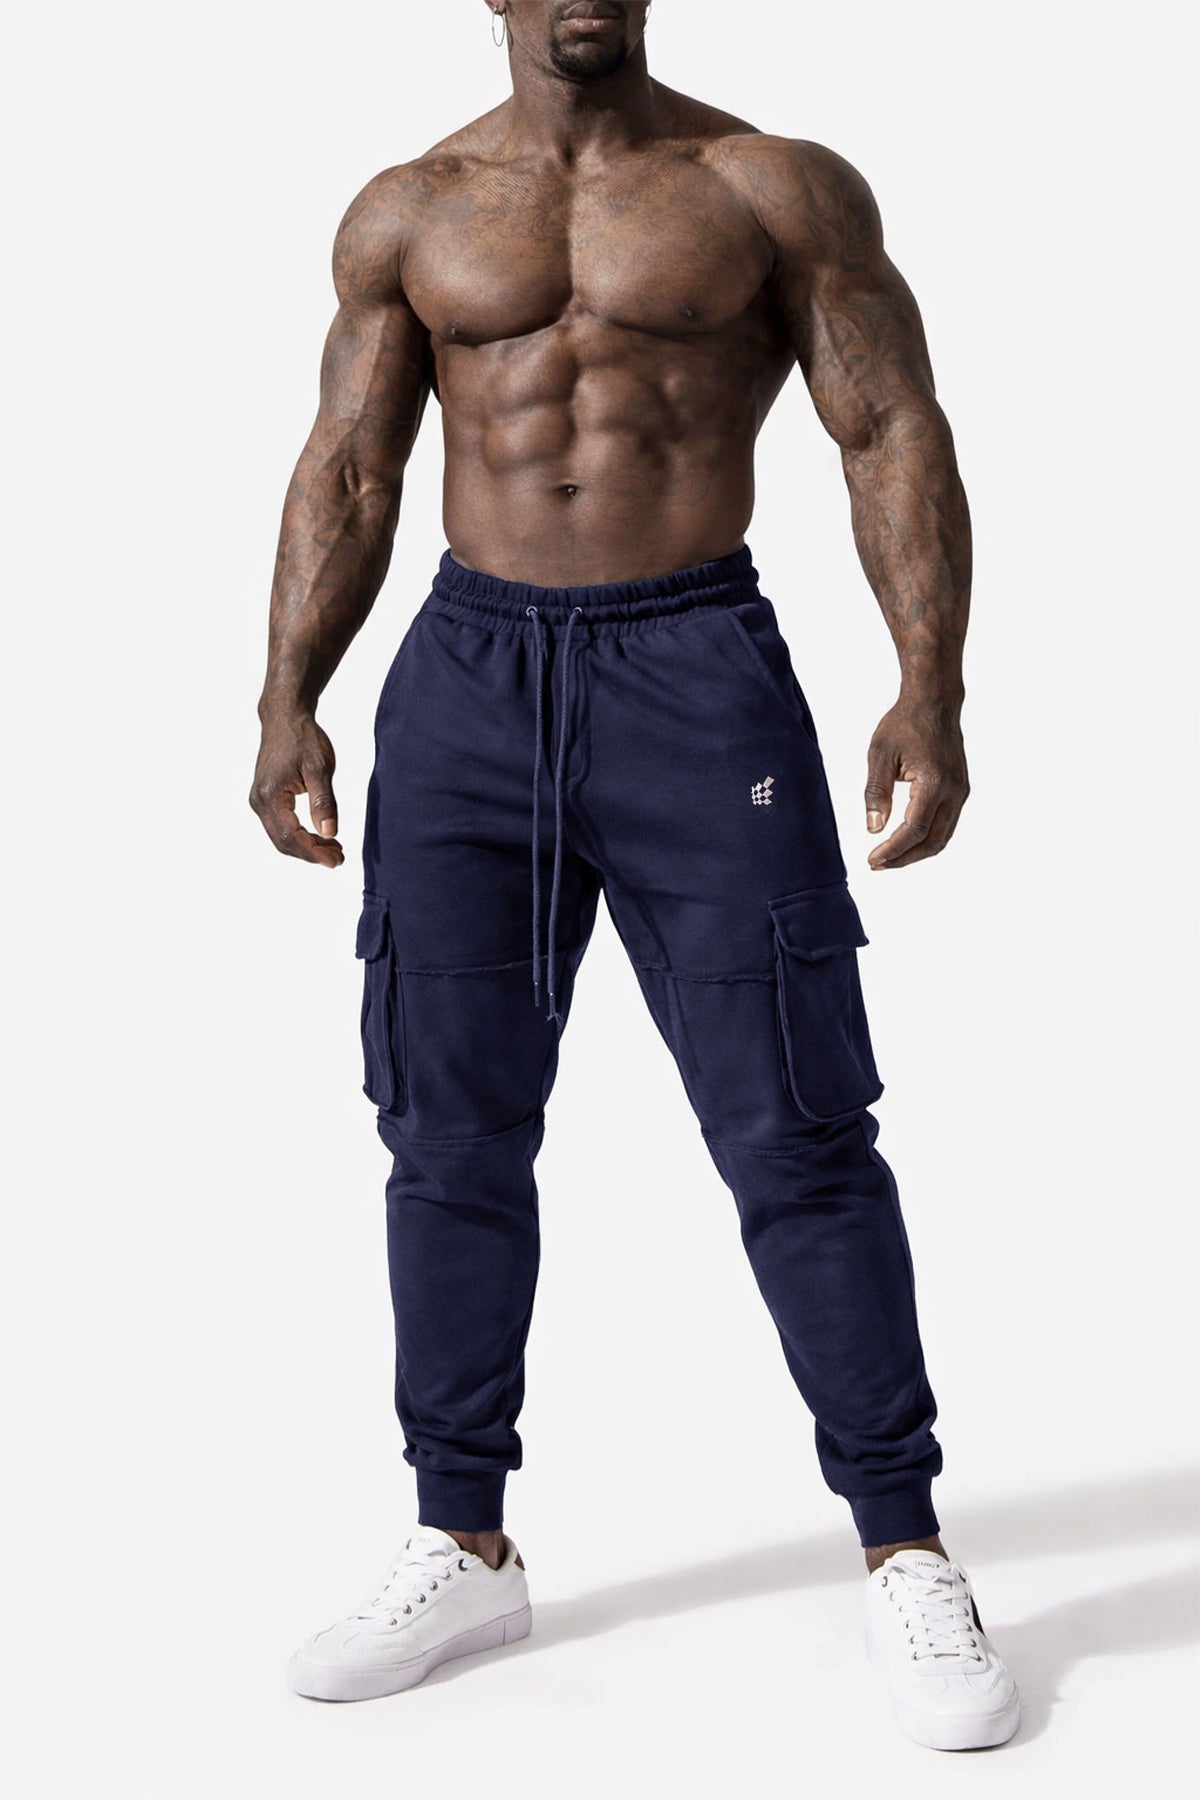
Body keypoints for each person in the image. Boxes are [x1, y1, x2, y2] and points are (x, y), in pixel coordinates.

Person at [250, 0, 1019, 1751]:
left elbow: (889, 426)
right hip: (466, 684)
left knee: (797, 1125)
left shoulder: (769, 187)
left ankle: (904, 1543)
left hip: (694, 676)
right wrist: (289, 690)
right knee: (445, 1130)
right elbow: (353, 460)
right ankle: (461, 1536)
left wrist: (932, 684)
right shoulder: (410, 209)